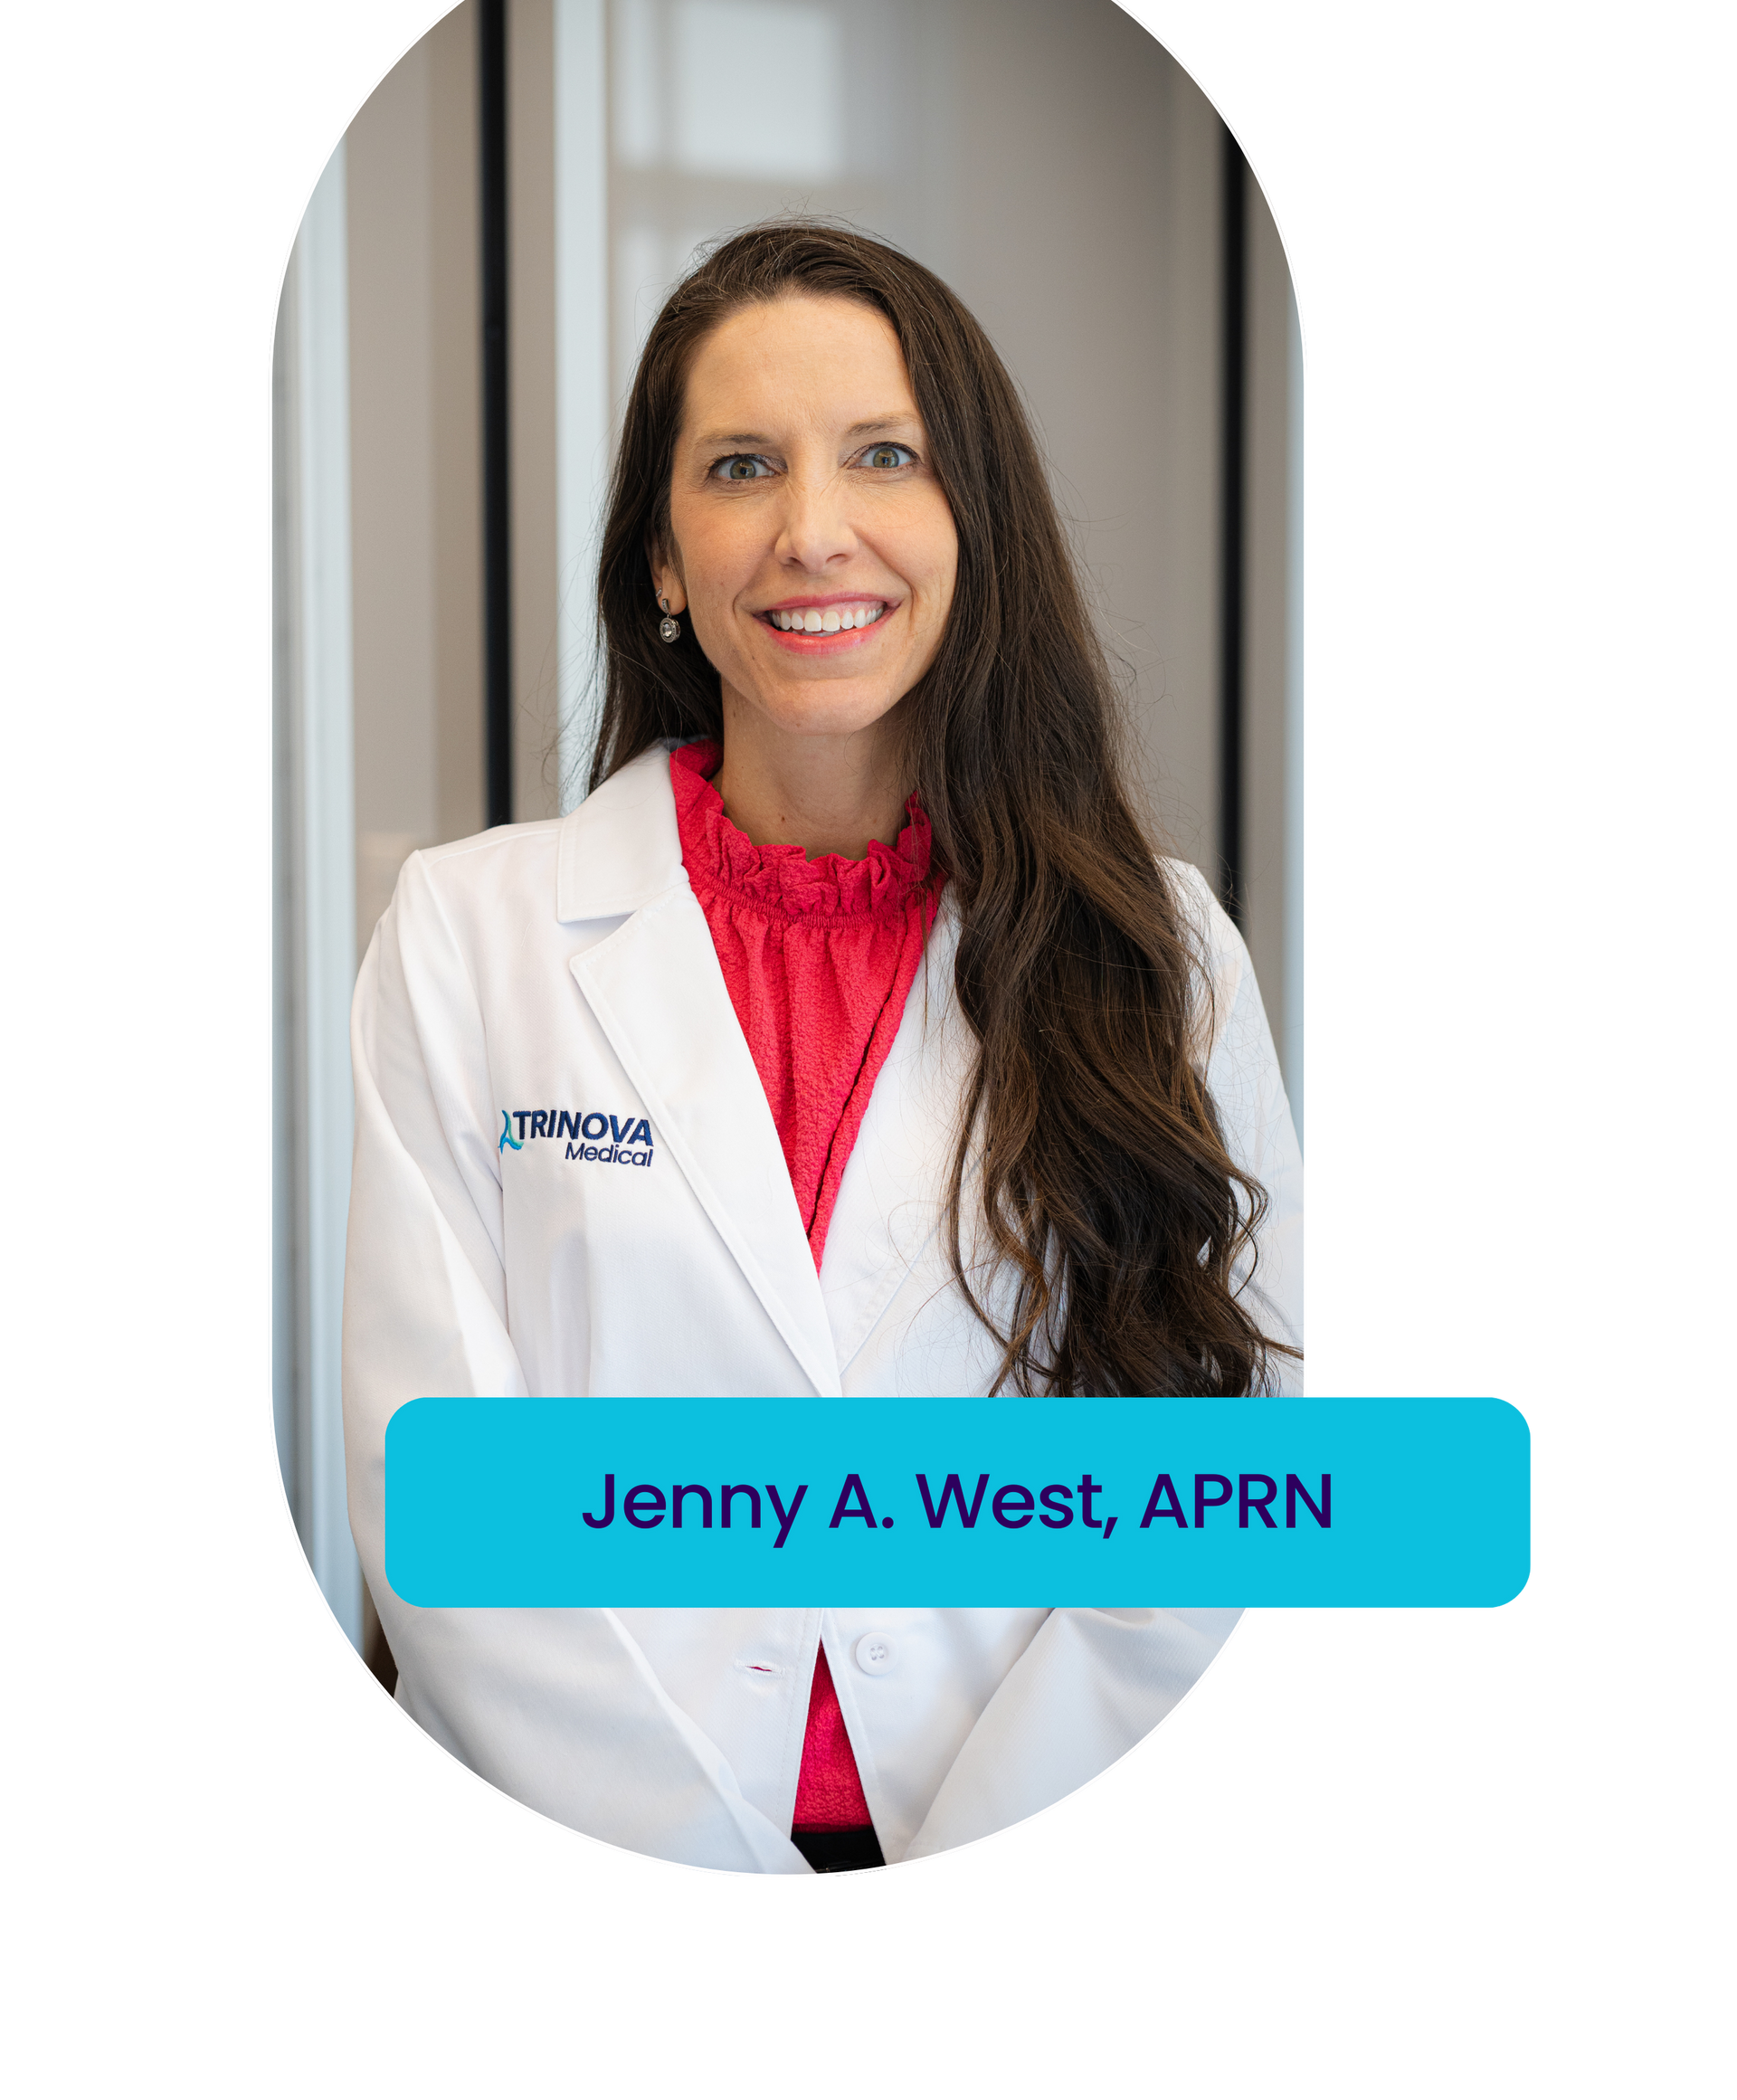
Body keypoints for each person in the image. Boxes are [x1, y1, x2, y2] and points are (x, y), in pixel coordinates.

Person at [343, 223, 1304, 1877]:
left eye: (884, 455)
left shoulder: (1165, 950)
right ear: (663, 556)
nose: (811, 531)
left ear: (968, 526)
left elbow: (1238, 1476)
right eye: (737, 468)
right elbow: (441, 1497)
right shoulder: (467, 935)